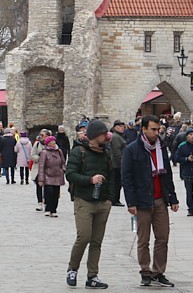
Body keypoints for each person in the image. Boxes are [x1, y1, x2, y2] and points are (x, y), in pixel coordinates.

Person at [122, 114, 179, 287]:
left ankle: (158, 271)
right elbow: (127, 177)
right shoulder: (132, 149)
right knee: (143, 239)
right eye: (153, 129)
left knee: (163, 238)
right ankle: (145, 271)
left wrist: (173, 198)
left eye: (158, 129)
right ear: (144, 129)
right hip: (142, 201)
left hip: (160, 199)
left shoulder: (161, 148)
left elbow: (167, 174)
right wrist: (131, 203)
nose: (157, 132)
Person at [65, 120, 115, 289]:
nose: (106, 136)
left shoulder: (106, 152)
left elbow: (113, 175)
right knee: (84, 237)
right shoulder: (78, 152)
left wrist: (110, 199)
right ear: (95, 136)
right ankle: (72, 268)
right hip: (84, 200)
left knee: (96, 241)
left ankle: (92, 276)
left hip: (103, 202)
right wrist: (90, 180)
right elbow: (70, 174)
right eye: (103, 134)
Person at [37, 135, 66, 217]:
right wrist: (41, 178)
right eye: (51, 142)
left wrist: (63, 169)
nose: (53, 143)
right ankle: (48, 208)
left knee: (56, 193)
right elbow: (41, 166)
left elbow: (63, 162)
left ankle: (54, 209)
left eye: (54, 141)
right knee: (49, 192)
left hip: (58, 175)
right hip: (48, 175)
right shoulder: (44, 152)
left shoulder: (59, 151)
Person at [31, 129, 50, 210]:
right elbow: (32, 155)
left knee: (48, 186)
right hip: (38, 167)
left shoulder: (51, 144)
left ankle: (46, 202)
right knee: (39, 186)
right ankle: (40, 202)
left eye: (43, 135)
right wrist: (39, 158)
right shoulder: (37, 144)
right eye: (40, 135)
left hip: (48, 167)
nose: (41, 137)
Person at [109, 120, 127, 206]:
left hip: (118, 163)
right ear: (116, 127)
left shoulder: (119, 136)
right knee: (117, 182)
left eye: (123, 127)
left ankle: (116, 199)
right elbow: (117, 151)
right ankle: (114, 199)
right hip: (116, 164)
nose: (122, 128)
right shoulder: (116, 137)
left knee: (118, 182)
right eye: (120, 127)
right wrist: (121, 163)